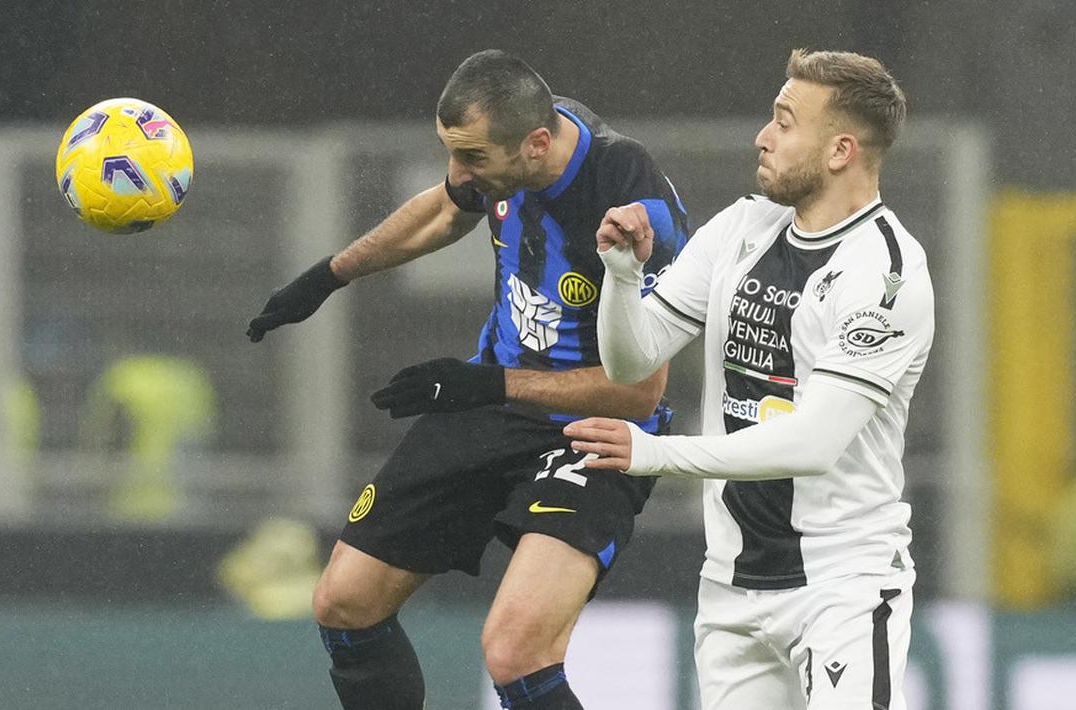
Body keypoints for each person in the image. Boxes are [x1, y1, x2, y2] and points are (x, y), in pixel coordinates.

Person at [246, 50, 688, 709]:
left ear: (537, 145)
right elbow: (444, 209)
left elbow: (638, 392)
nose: (460, 174)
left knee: (514, 653)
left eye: (473, 159)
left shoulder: (630, 208)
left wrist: (487, 387)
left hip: (597, 432)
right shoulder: (513, 146)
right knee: (344, 602)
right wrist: (327, 276)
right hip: (494, 399)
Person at [566, 49, 931, 709]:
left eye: (785, 122)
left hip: (841, 585)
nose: (762, 137)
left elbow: (809, 445)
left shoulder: (884, 275)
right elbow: (631, 359)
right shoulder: (740, 228)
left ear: (840, 150)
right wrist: (621, 277)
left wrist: (655, 454)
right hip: (730, 586)